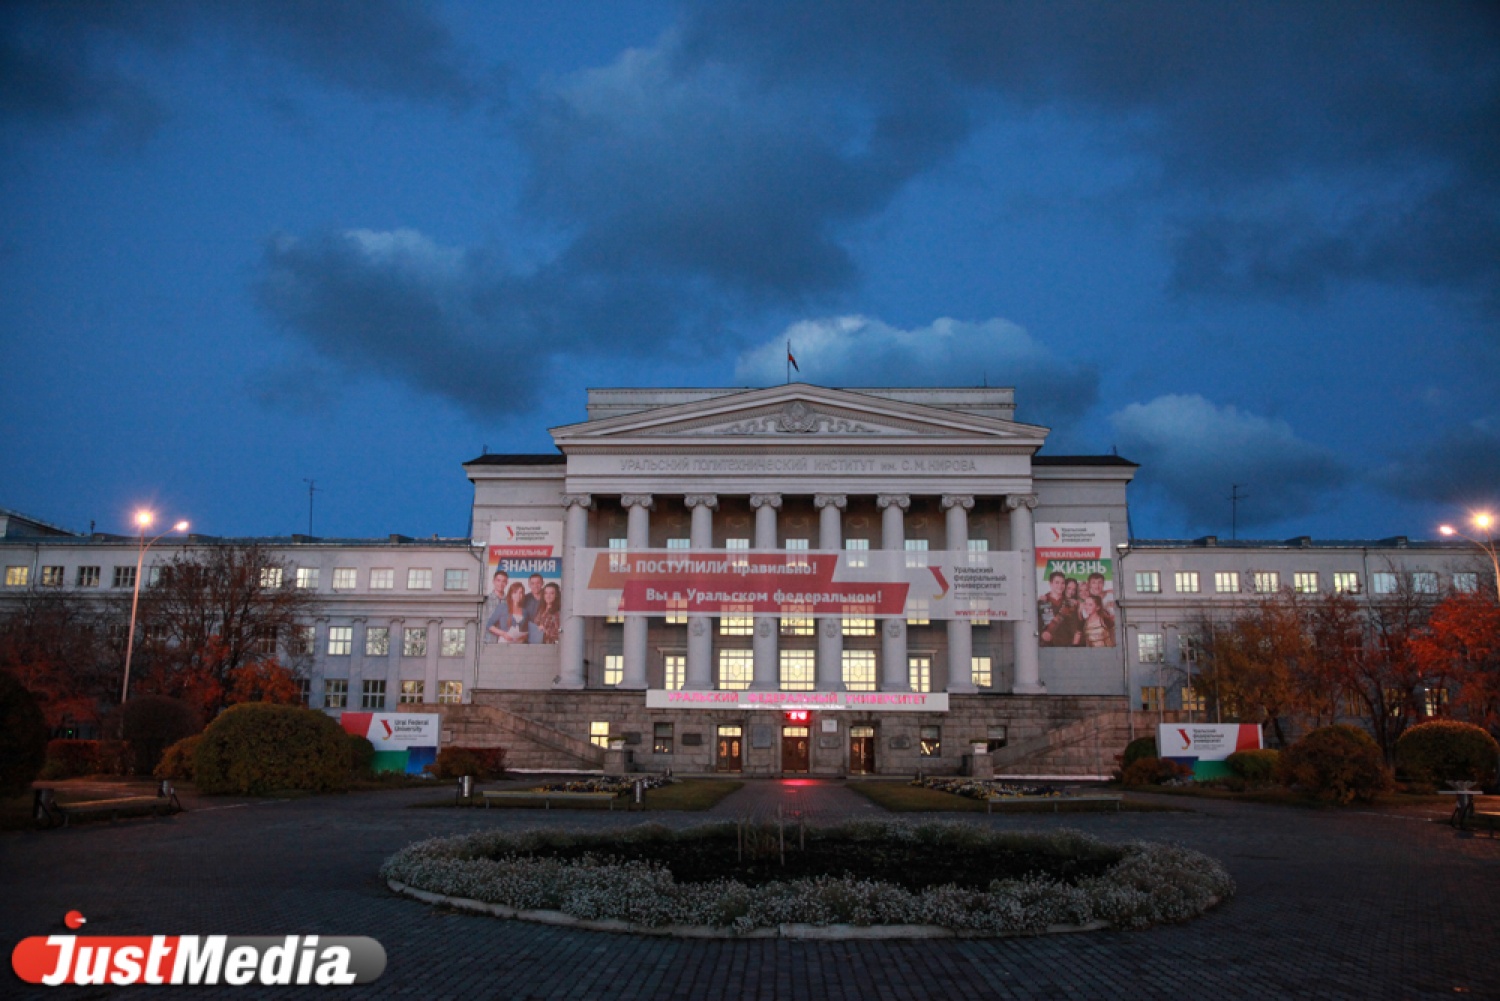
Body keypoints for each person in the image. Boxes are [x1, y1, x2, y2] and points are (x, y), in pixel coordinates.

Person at [1039, 571, 1078, 647]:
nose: (1060, 586)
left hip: (1066, 647)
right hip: (1046, 647)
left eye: (1062, 583)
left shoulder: (1070, 604)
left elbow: (1074, 627)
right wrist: (1042, 634)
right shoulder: (1042, 602)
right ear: (1050, 583)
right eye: (1057, 583)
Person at [484, 570, 510, 642]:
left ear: (507, 583)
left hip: (506, 641)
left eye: (504, 581)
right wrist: (502, 633)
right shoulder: (486, 600)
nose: (501, 584)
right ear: (493, 581)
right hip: (489, 640)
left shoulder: (509, 601)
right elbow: (486, 622)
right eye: (498, 580)